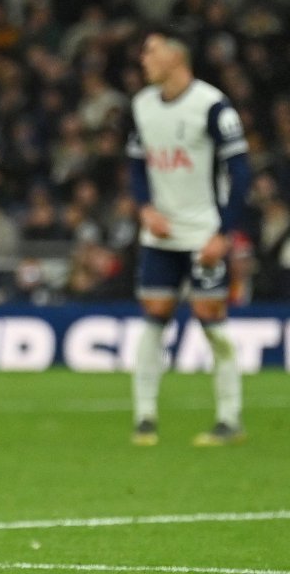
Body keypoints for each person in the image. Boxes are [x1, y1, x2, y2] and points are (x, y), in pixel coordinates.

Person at [126, 28, 252, 447]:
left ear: (175, 58)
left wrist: (224, 233)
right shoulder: (142, 105)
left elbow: (241, 172)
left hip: (203, 236)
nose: (143, 58)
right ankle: (144, 418)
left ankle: (229, 419)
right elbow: (137, 164)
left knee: (212, 323)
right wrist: (145, 207)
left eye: (151, 51)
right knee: (153, 316)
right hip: (160, 235)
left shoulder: (213, 106)